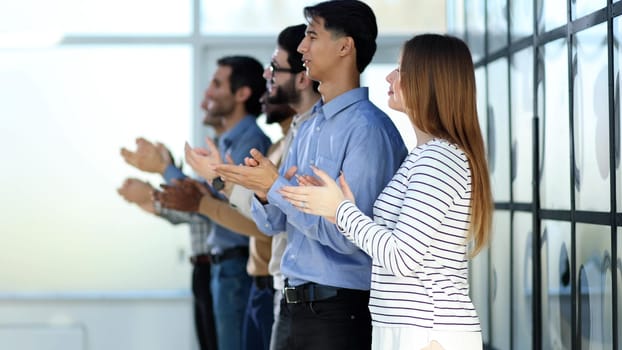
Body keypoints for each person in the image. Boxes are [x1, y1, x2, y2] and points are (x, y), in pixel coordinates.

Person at [278, 34, 493, 350]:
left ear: (430, 81)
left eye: (402, 70)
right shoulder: (424, 156)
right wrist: (338, 210)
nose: (390, 77)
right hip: (408, 329)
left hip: (427, 332)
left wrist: (341, 211)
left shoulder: (439, 158)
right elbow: (395, 246)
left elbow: (402, 257)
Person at [214, 2, 407, 349]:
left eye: (312, 36)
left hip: (339, 312)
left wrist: (277, 188)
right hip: (292, 305)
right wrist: (264, 192)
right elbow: (275, 223)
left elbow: (349, 235)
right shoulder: (309, 125)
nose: (302, 47)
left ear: (345, 46)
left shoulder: (368, 130)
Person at [156, 96, 297, 350]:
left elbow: (259, 222)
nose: (205, 99)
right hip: (249, 275)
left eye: (217, 86)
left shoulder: (253, 142)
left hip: (248, 271)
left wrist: (203, 189)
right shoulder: (273, 144)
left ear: (242, 93)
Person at [119, 105, 223, 350]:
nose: (207, 101)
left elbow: (202, 209)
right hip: (204, 268)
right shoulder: (218, 148)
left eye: (216, 85)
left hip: (218, 267)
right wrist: (151, 195)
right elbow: (194, 207)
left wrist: (154, 190)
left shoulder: (236, 147)